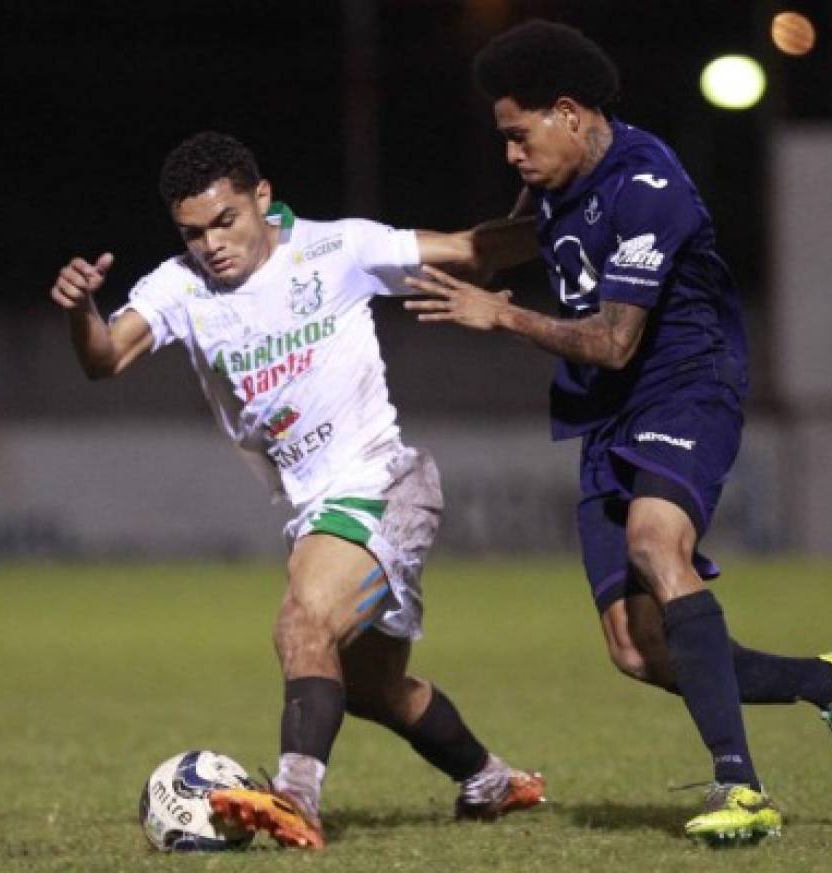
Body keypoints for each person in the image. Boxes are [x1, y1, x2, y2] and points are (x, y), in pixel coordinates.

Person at [404, 20, 832, 844]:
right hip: (606, 413)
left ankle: (743, 788)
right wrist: (324, 252)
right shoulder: (557, 180)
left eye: (520, 136)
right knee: (637, 649)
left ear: (568, 112)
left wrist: (504, 315)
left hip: (686, 385)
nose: (512, 155)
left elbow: (613, 338)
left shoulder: (646, 185)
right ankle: (826, 680)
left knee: (654, 542)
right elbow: (494, 246)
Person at [49, 131, 544, 850]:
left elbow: (473, 250)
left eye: (226, 221)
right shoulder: (179, 286)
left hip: (382, 480)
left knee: (301, 623)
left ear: (262, 197)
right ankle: (492, 780)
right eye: (194, 232)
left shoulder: (337, 249)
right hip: (317, 506)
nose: (212, 244)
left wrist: (573, 207)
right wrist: (78, 310)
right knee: (374, 689)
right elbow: (104, 357)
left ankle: (295, 800)